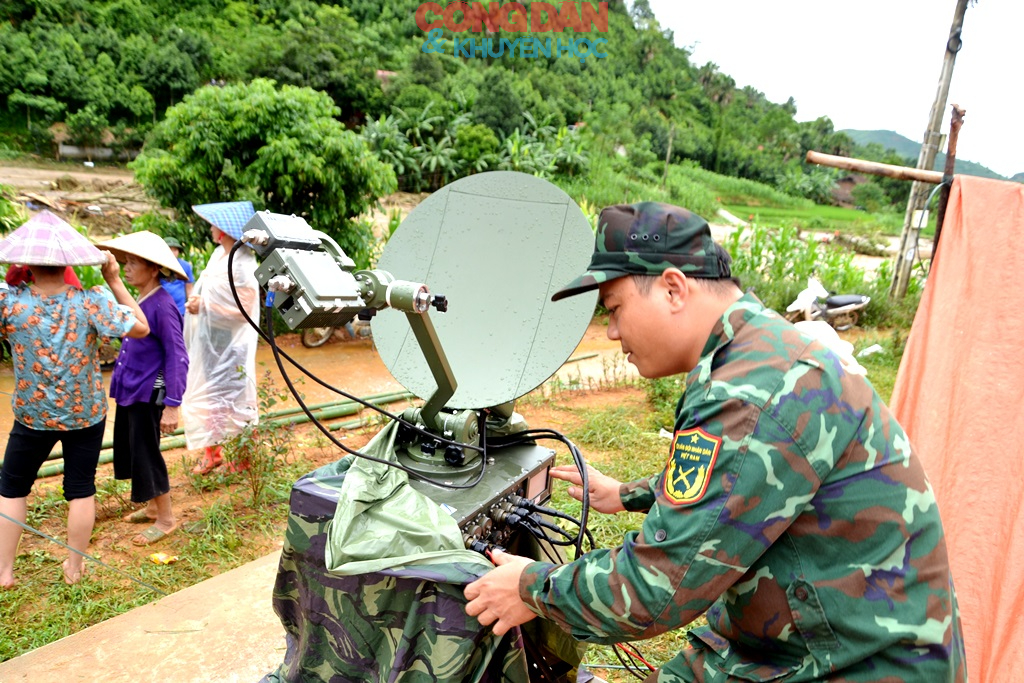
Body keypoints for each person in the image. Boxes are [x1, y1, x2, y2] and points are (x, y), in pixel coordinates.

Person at [464, 202, 966, 681]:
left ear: (673, 289)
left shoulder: (746, 392)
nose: (613, 331)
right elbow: (743, 477)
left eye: (613, 308)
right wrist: (631, 494)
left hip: (854, 664)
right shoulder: (756, 350)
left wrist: (531, 589)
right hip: (827, 635)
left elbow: (655, 590)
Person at [0, 211, 148, 587]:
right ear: (69, 262)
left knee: (12, 486)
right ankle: (74, 569)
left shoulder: (10, 303)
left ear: (26, 263)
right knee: (80, 488)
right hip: (85, 413)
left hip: (32, 415)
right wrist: (114, 279)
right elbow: (141, 328)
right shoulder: (91, 302)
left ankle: (4, 572)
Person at [99, 231, 189, 547]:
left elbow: (177, 354)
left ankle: (166, 519)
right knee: (136, 449)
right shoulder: (141, 299)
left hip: (149, 391)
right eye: (126, 261)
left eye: (134, 262)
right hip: (132, 388)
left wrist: (172, 403)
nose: (126, 267)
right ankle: (152, 507)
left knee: (147, 453)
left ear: (153, 269)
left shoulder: (163, 305)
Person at [181, 201, 260, 475]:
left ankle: (241, 460)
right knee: (211, 397)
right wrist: (198, 303)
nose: (211, 228)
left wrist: (203, 306)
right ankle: (212, 454)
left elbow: (244, 312)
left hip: (232, 343)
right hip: (211, 339)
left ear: (224, 231)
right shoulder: (218, 256)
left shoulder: (243, 264)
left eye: (214, 225)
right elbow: (208, 291)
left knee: (236, 400)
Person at [159, 236, 194, 318]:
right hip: (162, 308)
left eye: (175, 249)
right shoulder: (157, 266)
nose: (173, 252)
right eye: (170, 249)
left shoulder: (185, 266)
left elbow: (189, 288)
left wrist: (191, 305)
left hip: (180, 310)